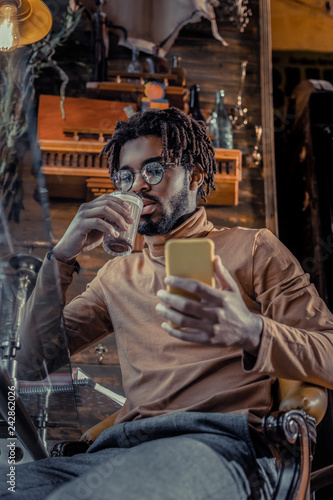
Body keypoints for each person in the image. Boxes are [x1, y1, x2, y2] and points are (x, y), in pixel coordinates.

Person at [2, 107, 333, 500]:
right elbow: (31, 364)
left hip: (218, 446)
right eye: (126, 175)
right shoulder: (116, 275)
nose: (138, 185)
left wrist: (251, 331)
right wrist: (61, 257)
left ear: (193, 176)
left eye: (154, 170)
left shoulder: (253, 248)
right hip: (118, 450)